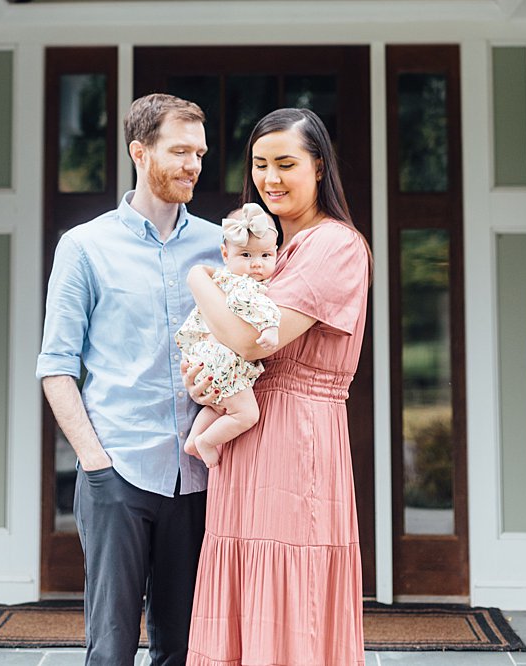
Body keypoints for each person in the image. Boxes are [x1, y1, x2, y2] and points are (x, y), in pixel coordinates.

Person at [36, 93, 222, 666]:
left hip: (198, 476)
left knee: (185, 647)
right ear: (140, 152)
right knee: (111, 647)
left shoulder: (220, 246)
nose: (194, 164)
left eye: (201, 152)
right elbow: (57, 366)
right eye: (181, 150)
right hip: (117, 471)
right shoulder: (85, 247)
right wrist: (95, 462)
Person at [182, 107, 372, 666]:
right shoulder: (270, 254)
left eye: (286, 163)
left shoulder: (333, 245)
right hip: (246, 439)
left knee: (292, 588)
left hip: (297, 442)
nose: (270, 178)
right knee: (243, 581)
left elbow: (251, 340)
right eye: (260, 164)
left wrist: (196, 278)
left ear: (319, 167)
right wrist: (206, 380)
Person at [176, 202, 282, 469]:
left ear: (276, 253)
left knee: (219, 407)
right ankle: (207, 442)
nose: (256, 264)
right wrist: (270, 328)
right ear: (225, 254)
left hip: (209, 358)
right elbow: (253, 307)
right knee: (246, 414)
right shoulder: (240, 284)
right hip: (222, 358)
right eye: (246, 255)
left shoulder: (223, 279)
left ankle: (193, 439)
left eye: (265, 256)